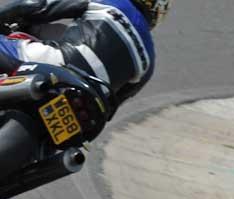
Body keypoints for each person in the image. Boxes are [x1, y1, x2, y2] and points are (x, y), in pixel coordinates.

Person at [0, 0, 168, 178]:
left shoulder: (110, 1)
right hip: (89, 102)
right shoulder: (149, 63)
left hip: (57, 66)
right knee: (56, 142)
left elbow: (36, 6)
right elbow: (114, 105)